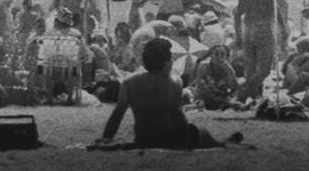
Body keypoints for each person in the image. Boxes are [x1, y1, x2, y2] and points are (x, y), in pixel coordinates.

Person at [98, 37, 232, 149]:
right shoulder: (174, 82)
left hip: (143, 139)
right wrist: (184, 142)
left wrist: (106, 138)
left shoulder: (128, 83)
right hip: (169, 139)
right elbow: (177, 116)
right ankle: (220, 143)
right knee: (201, 132)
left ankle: (220, 142)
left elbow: (117, 114)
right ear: (166, 63)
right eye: (171, 59)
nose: (173, 62)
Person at [233, 0, 285, 102]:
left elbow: (238, 14)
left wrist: (239, 34)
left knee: (253, 68)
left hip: (251, 30)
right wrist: (283, 27)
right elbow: (276, 8)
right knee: (262, 69)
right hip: (261, 31)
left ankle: (251, 94)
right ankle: (245, 94)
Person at [192, 44, 241, 110]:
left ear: (226, 56)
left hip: (222, 98)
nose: (219, 57)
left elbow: (235, 88)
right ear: (210, 55)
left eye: (222, 54)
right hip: (205, 97)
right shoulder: (204, 66)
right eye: (216, 54)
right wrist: (215, 98)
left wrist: (232, 99)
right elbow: (201, 85)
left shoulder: (227, 68)